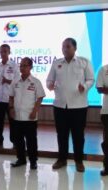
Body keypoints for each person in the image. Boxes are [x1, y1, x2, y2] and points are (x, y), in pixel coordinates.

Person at [46, 38, 94, 172]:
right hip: (60, 105)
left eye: (67, 46)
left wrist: (84, 86)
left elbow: (91, 79)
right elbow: (49, 79)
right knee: (61, 134)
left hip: (79, 106)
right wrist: (49, 84)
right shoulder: (57, 63)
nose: (64, 49)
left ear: (74, 48)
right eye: (63, 46)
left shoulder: (84, 62)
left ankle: (79, 161)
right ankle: (62, 159)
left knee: (78, 135)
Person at [9, 57, 45, 170]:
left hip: (30, 117)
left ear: (30, 67)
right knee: (18, 140)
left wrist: (35, 111)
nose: (22, 67)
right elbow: (11, 96)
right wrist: (11, 108)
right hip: (17, 117)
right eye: (21, 65)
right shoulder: (15, 81)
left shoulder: (36, 82)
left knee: (31, 141)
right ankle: (21, 159)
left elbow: (40, 98)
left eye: (25, 65)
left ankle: (33, 161)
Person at [0, 44, 18, 147]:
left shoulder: (14, 65)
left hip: (10, 98)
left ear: (9, 52)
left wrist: (7, 80)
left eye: (5, 51)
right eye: (1, 51)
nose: (3, 53)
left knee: (12, 121)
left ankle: (15, 141)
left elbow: (18, 81)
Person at [96, 65, 108, 176]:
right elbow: (99, 88)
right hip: (107, 111)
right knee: (107, 142)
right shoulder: (103, 69)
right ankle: (107, 167)